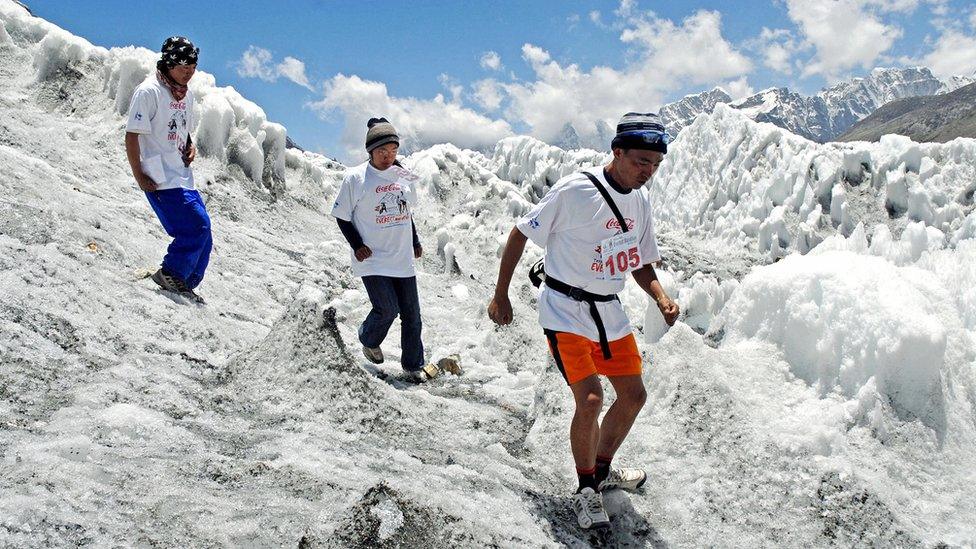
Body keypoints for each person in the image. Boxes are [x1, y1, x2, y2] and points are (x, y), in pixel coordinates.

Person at [488, 113, 680, 529]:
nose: (647, 172)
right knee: (590, 398)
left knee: (633, 397)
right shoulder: (577, 190)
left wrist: (661, 296)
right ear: (617, 152)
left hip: (608, 311)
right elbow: (521, 233)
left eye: (655, 165)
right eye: (641, 162)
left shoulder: (641, 201)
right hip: (564, 308)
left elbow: (640, 261)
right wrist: (501, 294)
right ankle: (586, 489)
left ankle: (602, 469)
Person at [331, 118, 428, 382]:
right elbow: (342, 215)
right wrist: (357, 245)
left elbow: (405, 211)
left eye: (393, 150)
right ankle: (368, 338)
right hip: (372, 257)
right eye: (382, 152)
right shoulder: (356, 178)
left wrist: (415, 241)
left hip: (401, 257)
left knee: (412, 315)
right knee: (387, 308)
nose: (388, 157)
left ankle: (413, 366)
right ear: (371, 152)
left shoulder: (404, 175)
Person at [124, 36, 210, 303]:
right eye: (184, 65)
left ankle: (183, 281)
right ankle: (170, 273)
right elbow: (132, 134)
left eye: (193, 66)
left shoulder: (187, 94)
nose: (190, 71)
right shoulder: (148, 92)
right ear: (170, 62)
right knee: (195, 227)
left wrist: (190, 146)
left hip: (182, 175)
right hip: (159, 175)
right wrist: (139, 175)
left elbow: (182, 129)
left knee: (205, 235)